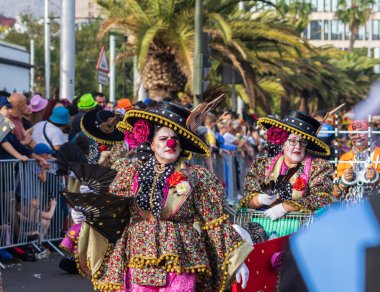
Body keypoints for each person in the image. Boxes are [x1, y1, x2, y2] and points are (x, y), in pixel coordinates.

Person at [71, 101, 253, 291]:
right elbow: (114, 209)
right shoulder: (130, 172)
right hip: (137, 257)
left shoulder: (197, 177)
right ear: (151, 143)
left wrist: (236, 258)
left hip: (182, 257)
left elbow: (215, 222)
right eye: (163, 138)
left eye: (175, 138)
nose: (170, 143)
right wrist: (89, 215)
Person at [240, 111, 335, 220]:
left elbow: (322, 198)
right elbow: (246, 201)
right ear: (282, 142)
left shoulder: (318, 167)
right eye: (293, 141)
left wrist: (285, 207)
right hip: (263, 226)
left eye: (302, 142)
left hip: (301, 227)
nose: (298, 146)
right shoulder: (262, 165)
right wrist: (260, 199)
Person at [334, 120, 380, 201]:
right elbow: (334, 194)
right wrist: (344, 181)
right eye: (353, 134)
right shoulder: (344, 158)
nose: (358, 136)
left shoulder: (378, 154)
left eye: (361, 132)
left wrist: (377, 178)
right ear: (349, 136)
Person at [0, 96, 48, 167]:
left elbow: (17, 144)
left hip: (8, 168)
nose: (10, 111)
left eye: (10, 108)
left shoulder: (7, 122)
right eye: (6, 108)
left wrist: (35, 156)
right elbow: (4, 142)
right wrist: (19, 156)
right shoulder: (2, 121)